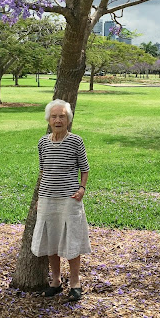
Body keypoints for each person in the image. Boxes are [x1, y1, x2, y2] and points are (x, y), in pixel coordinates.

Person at [31, 99, 90, 301]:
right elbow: (43, 171)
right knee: (51, 240)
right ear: (48, 119)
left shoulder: (76, 141)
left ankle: (75, 283)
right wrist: (39, 197)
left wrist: (82, 188)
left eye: (62, 116)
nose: (58, 120)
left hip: (70, 198)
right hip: (47, 198)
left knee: (72, 240)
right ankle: (55, 282)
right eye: (54, 116)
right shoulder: (42, 143)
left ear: (68, 120)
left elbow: (85, 168)